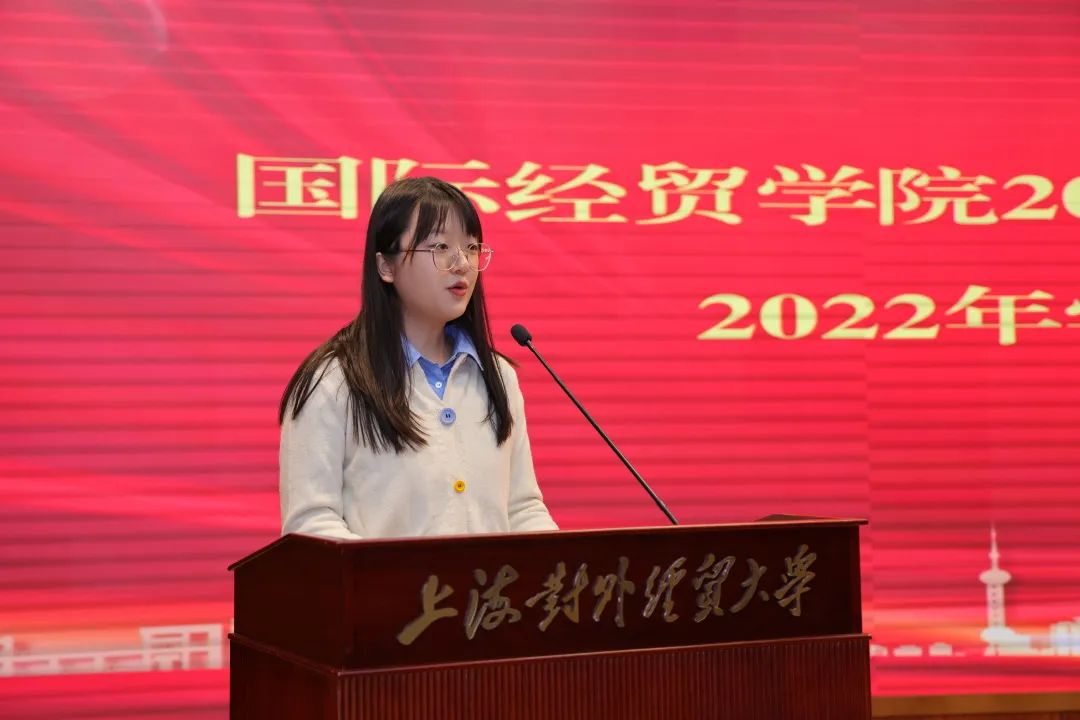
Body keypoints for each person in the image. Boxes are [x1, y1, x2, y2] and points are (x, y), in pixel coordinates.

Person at [277, 176, 558, 540]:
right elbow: (311, 525)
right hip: (383, 582)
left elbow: (521, 508)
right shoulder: (333, 380)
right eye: (440, 246)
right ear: (386, 266)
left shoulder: (498, 376)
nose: (462, 263)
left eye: (472, 247)